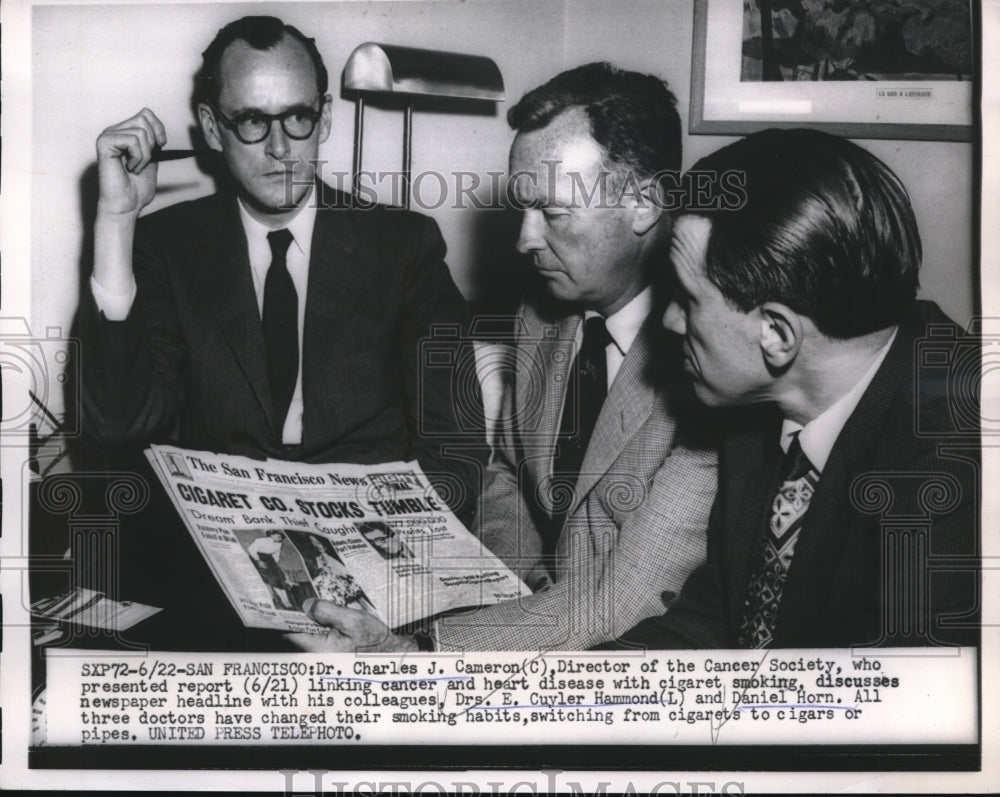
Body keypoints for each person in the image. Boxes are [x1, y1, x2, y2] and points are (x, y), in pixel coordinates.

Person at [289, 63, 717, 653]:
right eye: (522, 208)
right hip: (531, 628)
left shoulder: (712, 364)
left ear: (643, 204)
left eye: (553, 212)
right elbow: (506, 474)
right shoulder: (541, 316)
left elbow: (620, 600)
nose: (524, 239)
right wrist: (520, 591)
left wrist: (420, 654)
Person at [78, 15, 482, 523]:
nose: (279, 147)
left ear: (326, 117)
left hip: (375, 536)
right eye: (251, 120)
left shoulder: (406, 246)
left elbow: (456, 447)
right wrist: (116, 221)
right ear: (211, 128)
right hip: (223, 547)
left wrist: (400, 544)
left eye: (297, 117)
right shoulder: (165, 246)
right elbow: (118, 426)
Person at [603, 128, 979, 649]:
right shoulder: (763, 400)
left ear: (776, 335)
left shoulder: (958, 471)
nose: (667, 321)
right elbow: (715, 621)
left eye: (687, 300)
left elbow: (881, 715)